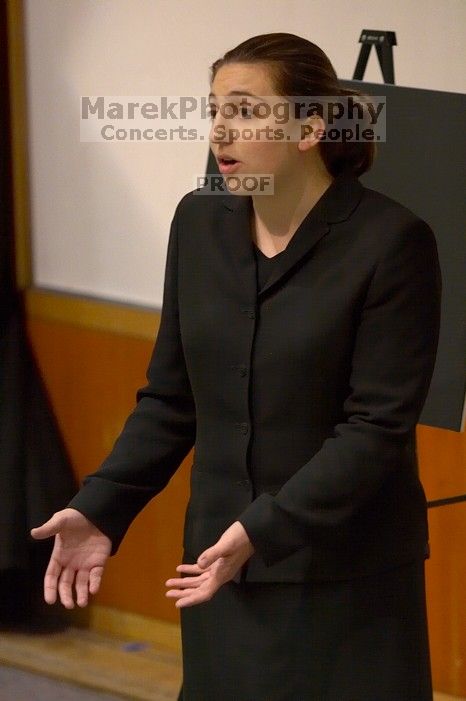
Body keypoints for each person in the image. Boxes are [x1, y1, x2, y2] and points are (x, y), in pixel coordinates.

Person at [31, 33, 442, 700]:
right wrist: (100, 506)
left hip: (345, 576)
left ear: (310, 124)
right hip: (219, 568)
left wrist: (262, 528)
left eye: (246, 110)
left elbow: (376, 428)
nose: (221, 128)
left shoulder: (391, 242)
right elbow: (170, 399)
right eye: (214, 109)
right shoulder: (198, 224)